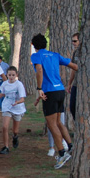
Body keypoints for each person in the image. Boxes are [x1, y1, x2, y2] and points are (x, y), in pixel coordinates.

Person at [31, 33, 78, 170]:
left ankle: (62, 153)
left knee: (52, 125)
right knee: (58, 122)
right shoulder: (55, 55)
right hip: (60, 91)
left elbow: (39, 70)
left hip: (49, 92)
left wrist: (39, 89)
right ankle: (71, 146)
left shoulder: (36, 56)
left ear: (34, 46)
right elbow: (74, 66)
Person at [0, 66, 26, 154]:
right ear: (7, 75)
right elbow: (2, 93)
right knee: (5, 127)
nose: (11, 77)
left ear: (16, 75)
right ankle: (6, 147)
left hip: (17, 107)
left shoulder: (19, 84)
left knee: (15, 130)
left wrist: (17, 102)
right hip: (7, 106)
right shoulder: (4, 84)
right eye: (9, 75)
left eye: (13, 75)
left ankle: (15, 136)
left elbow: (22, 98)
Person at [65, 32, 81, 120]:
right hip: (76, 84)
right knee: (72, 107)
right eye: (72, 41)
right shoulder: (75, 53)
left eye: (75, 41)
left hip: (84, 85)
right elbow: (73, 69)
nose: (73, 43)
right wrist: (70, 83)